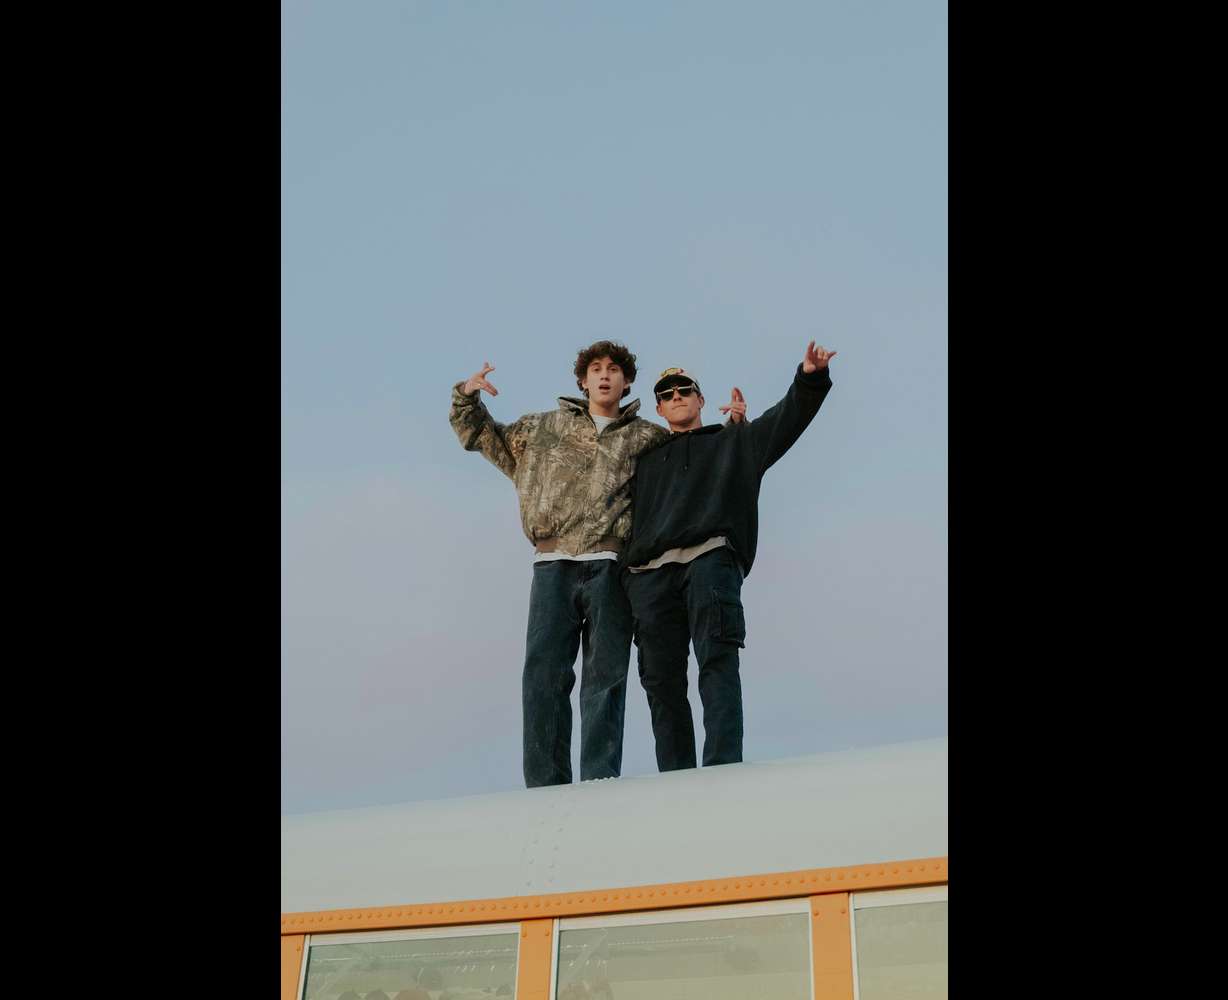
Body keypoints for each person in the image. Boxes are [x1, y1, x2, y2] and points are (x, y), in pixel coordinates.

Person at [450, 342, 669, 787]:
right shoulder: (543, 428)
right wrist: (466, 396)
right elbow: (481, 436)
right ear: (582, 381)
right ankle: (545, 786)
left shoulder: (647, 437)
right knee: (544, 678)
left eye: (614, 370)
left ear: (627, 382)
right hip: (553, 564)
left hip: (611, 565)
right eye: (595, 369)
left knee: (605, 679)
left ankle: (599, 779)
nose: (605, 376)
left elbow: (690, 466)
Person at [621, 341, 836, 771]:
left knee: (716, 661)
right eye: (667, 394)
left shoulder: (734, 443)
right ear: (659, 410)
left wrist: (809, 378)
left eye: (684, 390)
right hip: (649, 575)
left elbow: (787, 420)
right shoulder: (642, 460)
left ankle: (723, 769)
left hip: (710, 561)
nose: (676, 397)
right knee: (661, 682)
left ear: (700, 399)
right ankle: (676, 778)